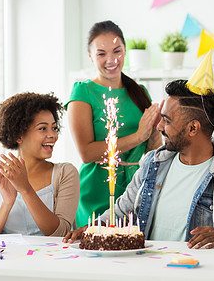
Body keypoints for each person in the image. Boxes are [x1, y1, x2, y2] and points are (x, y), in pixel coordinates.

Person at [64, 79, 214, 248]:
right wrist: (96, 227)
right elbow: (121, 211)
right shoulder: (152, 164)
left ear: (193, 128)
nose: (159, 126)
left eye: (167, 120)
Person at [65, 20, 161, 227]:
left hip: (136, 188)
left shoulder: (140, 92)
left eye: (117, 51)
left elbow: (152, 148)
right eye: (101, 54)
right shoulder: (83, 92)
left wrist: (157, 131)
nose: (111, 59)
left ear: (125, 51)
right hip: (97, 189)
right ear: (91, 56)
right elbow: (87, 153)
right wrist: (138, 136)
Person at [0, 92, 80, 236]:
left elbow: (60, 234)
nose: (53, 135)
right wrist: (6, 204)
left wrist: (25, 189)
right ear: (19, 135)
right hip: (4, 257)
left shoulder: (65, 173)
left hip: (50, 257)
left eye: (54, 128)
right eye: (43, 128)